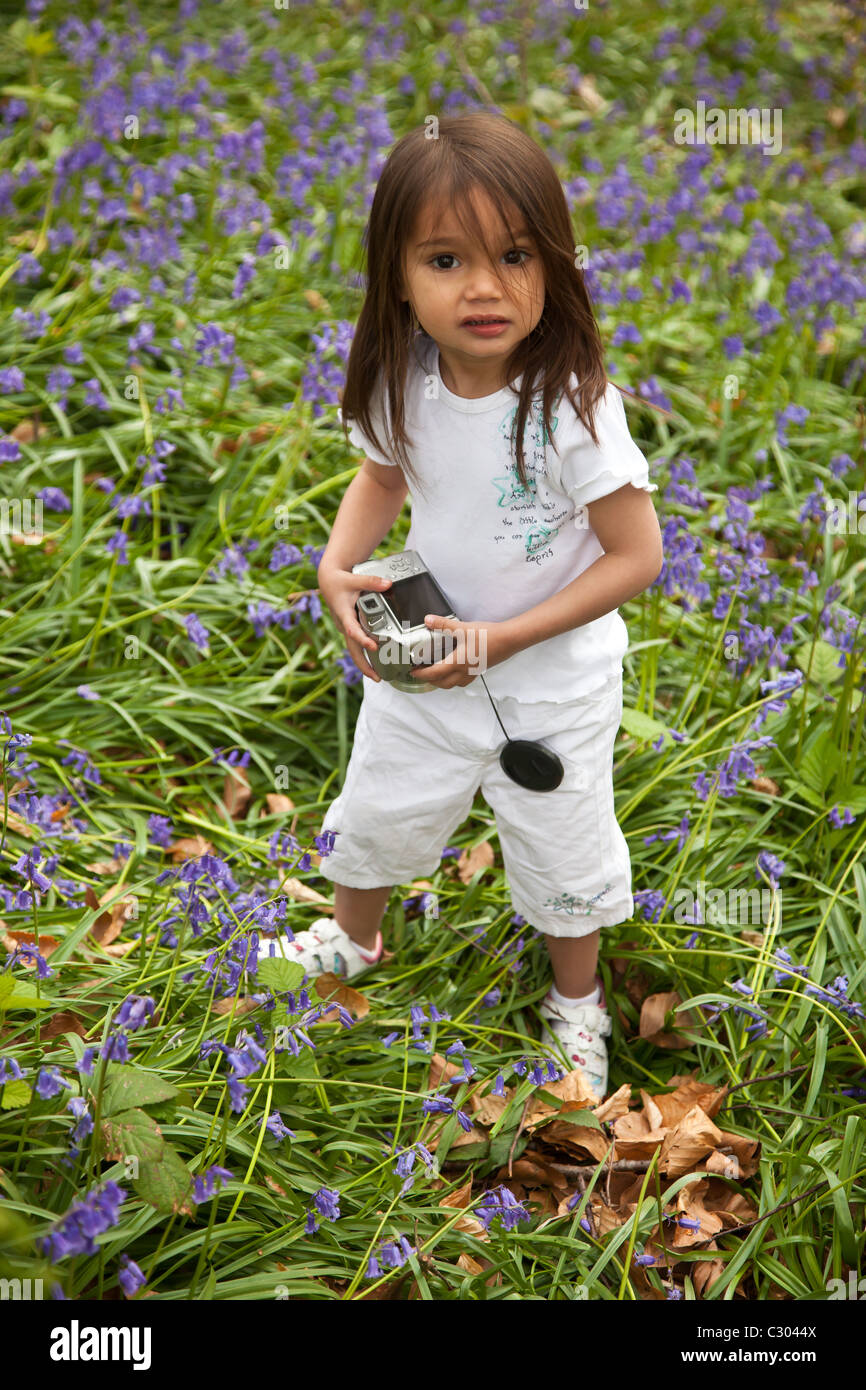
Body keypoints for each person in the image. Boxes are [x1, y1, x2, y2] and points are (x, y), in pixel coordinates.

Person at [274, 112, 663, 1099]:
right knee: (376, 808)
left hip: (552, 686)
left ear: (554, 266)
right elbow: (379, 474)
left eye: (513, 256)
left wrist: (503, 638)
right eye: (445, 259)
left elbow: (635, 555)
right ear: (397, 276)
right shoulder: (404, 378)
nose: (482, 288)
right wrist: (335, 567)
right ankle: (353, 937)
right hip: (426, 660)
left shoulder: (571, 405)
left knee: (561, 847)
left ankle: (573, 1000)